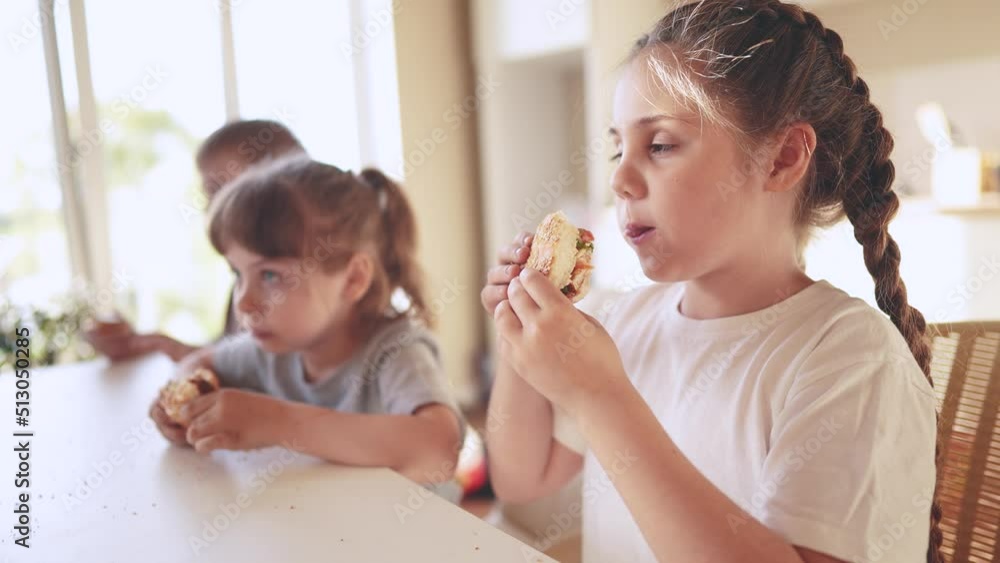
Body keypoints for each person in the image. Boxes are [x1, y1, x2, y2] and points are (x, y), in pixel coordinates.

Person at [482, 2, 941, 562]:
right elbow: (521, 479)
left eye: (660, 145)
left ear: (781, 159)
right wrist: (516, 334)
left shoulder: (851, 360)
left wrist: (600, 396)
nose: (620, 179)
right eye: (617, 148)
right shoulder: (621, 321)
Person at [150, 156, 464, 488]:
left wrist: (276, 422)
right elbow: (198, 362)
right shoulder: (270, 349)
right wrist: (189, 408)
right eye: (237, 274)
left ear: (353, 279)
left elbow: (439, 450)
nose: (243, 301)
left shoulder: (396, 353)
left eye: (270, 275)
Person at [85, 119, 305, 362]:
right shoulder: (246, 277)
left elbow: (257, 371)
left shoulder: (299, 284)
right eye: (208, 193)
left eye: (218, 190)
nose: (210, 208)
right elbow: (235, 356)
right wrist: (151, 344)